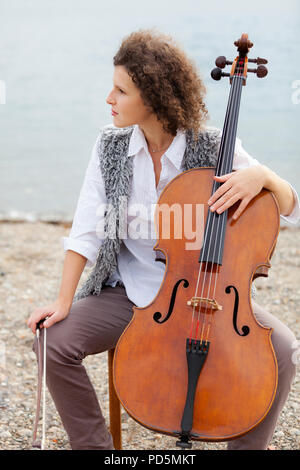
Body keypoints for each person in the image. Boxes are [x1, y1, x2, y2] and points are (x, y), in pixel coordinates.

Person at [27, 29, 299, 450]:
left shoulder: (213, 146)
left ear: (152, 96)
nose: (109, 99)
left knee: (283, 350)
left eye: (121, 90)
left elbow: (290, 205)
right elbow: (85, 229)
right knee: (52, 341)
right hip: (126, 295)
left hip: (206, 294)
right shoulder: (110, 147)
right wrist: (64, 302)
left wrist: (263, 177)